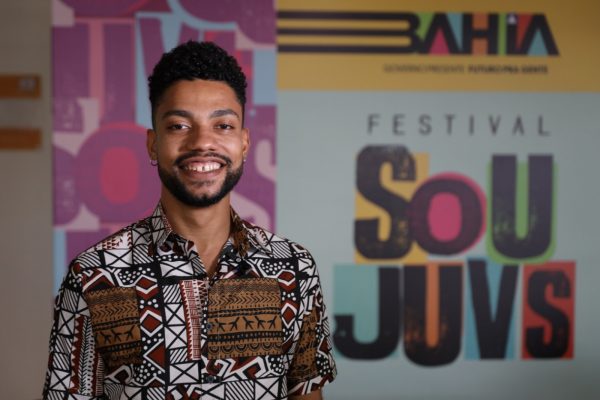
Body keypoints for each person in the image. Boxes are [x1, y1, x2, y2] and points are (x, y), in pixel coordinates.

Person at [43, 41, 336, 400]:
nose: (202, 142)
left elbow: (306, 393)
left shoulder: (294, 268)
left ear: (244, 143)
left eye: (223, 125)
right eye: (180, 125)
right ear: (153, 144)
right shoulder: (94, 275)